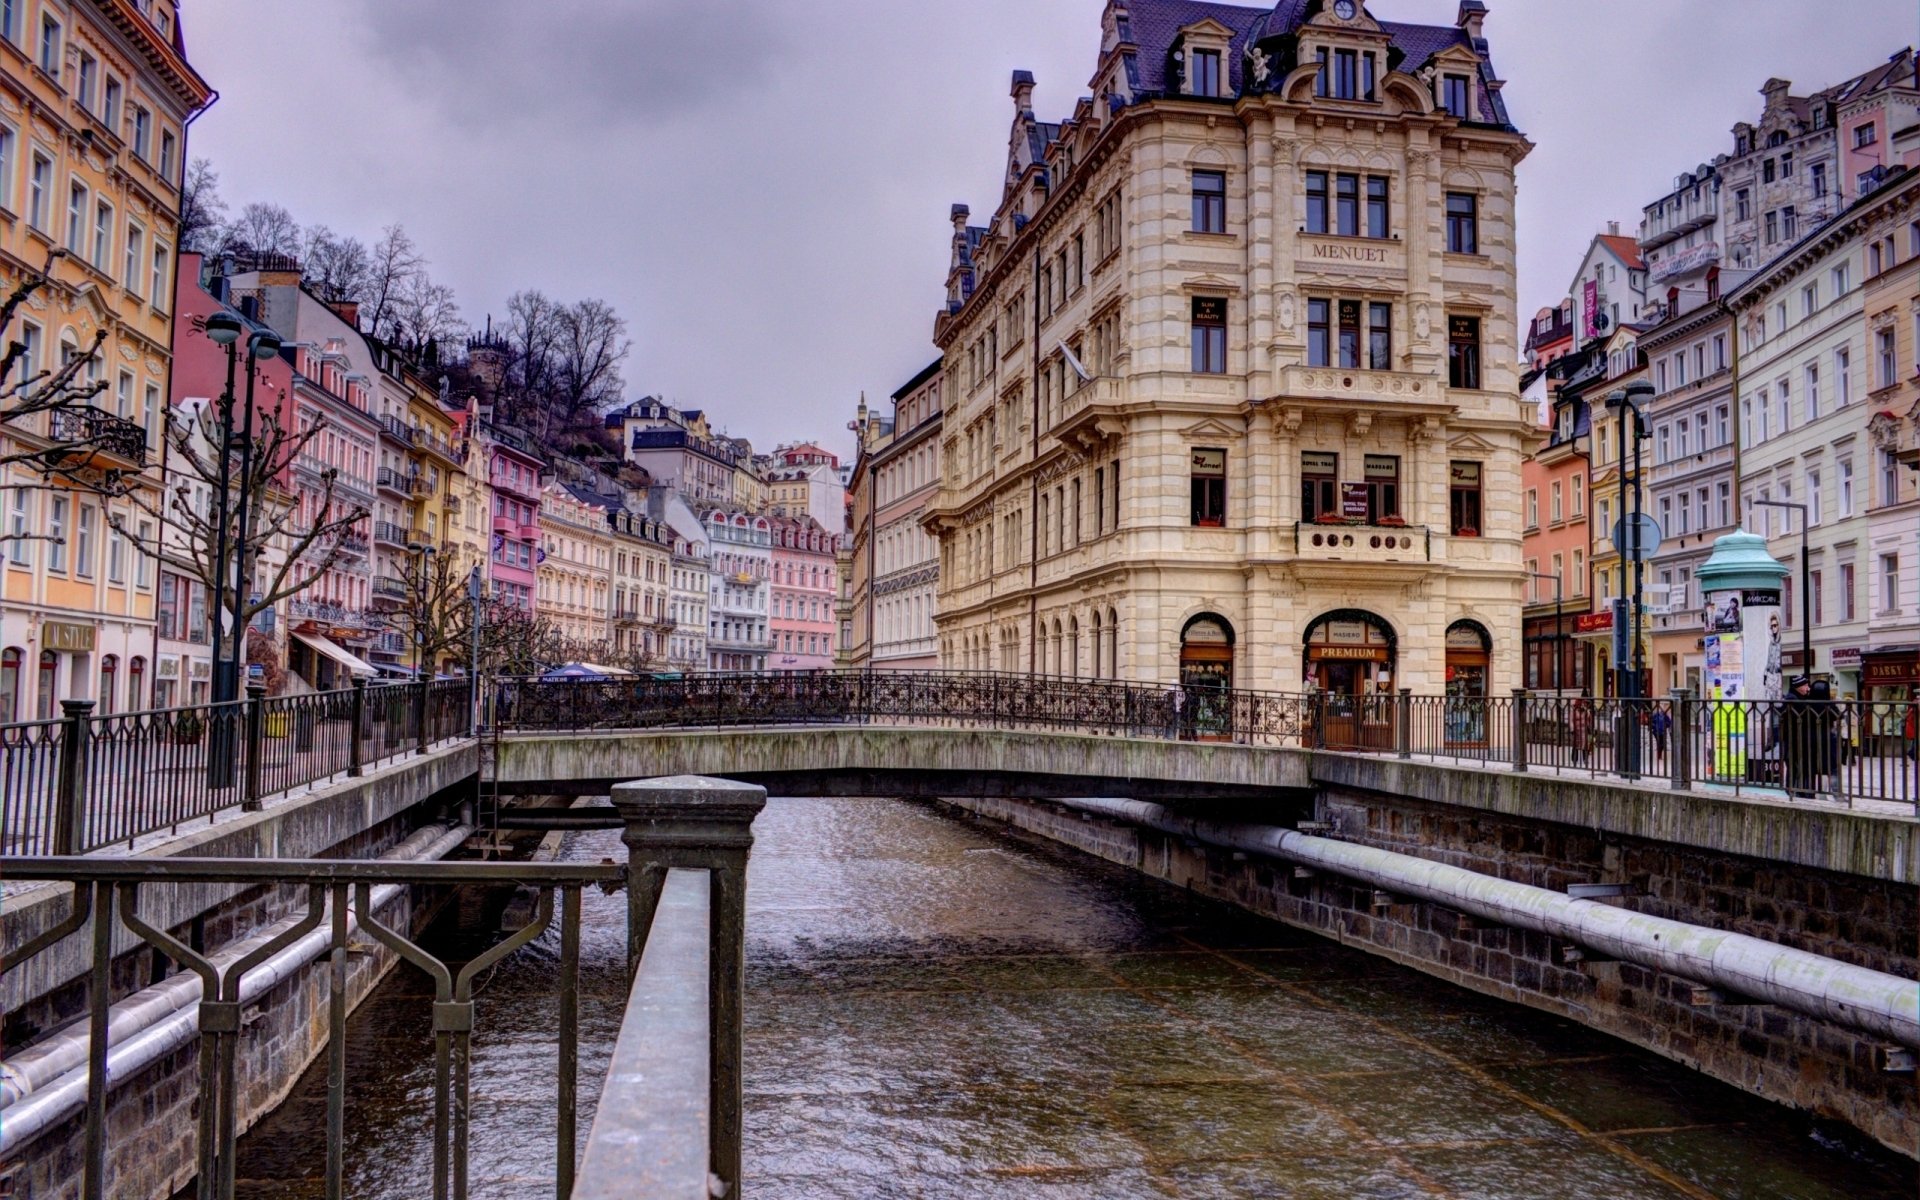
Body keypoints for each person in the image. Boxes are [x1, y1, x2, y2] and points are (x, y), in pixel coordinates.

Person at [1782, 675, 1820, 799]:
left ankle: (1794, 790)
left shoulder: (1796, 698)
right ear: (1798, 687)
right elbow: (1807, 716)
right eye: (1805, 685)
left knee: (1794, 765)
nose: (1808, 688)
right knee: (1794, 765)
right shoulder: (1793, 700)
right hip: (1794, 739)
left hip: (1795, 739)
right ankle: (1792, 790)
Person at [1569, 695, 1593, 765]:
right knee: (1575, 746)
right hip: (1576, 731)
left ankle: (1585, 759)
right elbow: (1571, 721)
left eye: (1584, 703)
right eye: (1582, 703)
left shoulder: (1586, 711)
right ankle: (1574, 760)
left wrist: (1589, 728)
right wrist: (1572, 729)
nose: (1583, 705)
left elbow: (1588, 720)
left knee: (1585, 746)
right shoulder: (1573, 711)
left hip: (1584, 730)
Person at [1648, 701, 1671, 771]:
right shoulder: (1656, 715)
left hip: (1663, 731)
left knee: (1663, 744)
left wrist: (1666, 726)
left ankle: (1660, 754)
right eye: (1662, 706)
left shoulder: (1665, 715)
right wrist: (1653, 727)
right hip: (1656, 731)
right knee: (1659, 743)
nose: (1662, 707)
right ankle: (1659, 756)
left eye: (1664, 706)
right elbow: (1651, 722)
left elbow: (1669, 722)